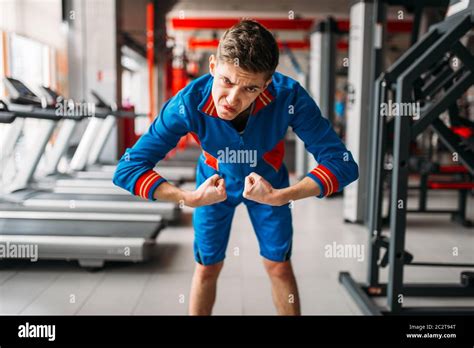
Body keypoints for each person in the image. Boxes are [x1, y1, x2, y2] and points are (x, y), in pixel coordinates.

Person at [113, 19, 359, 315]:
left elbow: (343, 164)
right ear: (213, 65)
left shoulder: (289, 97)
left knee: (278, 266)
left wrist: (284, 195)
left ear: (266, 84)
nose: (232, 99)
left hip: (271, 187)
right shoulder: (187, 103)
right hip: (212, 188)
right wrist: (188, 198)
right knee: (207, 268)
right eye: (227, 81)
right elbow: (127, 169)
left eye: (250, 88)